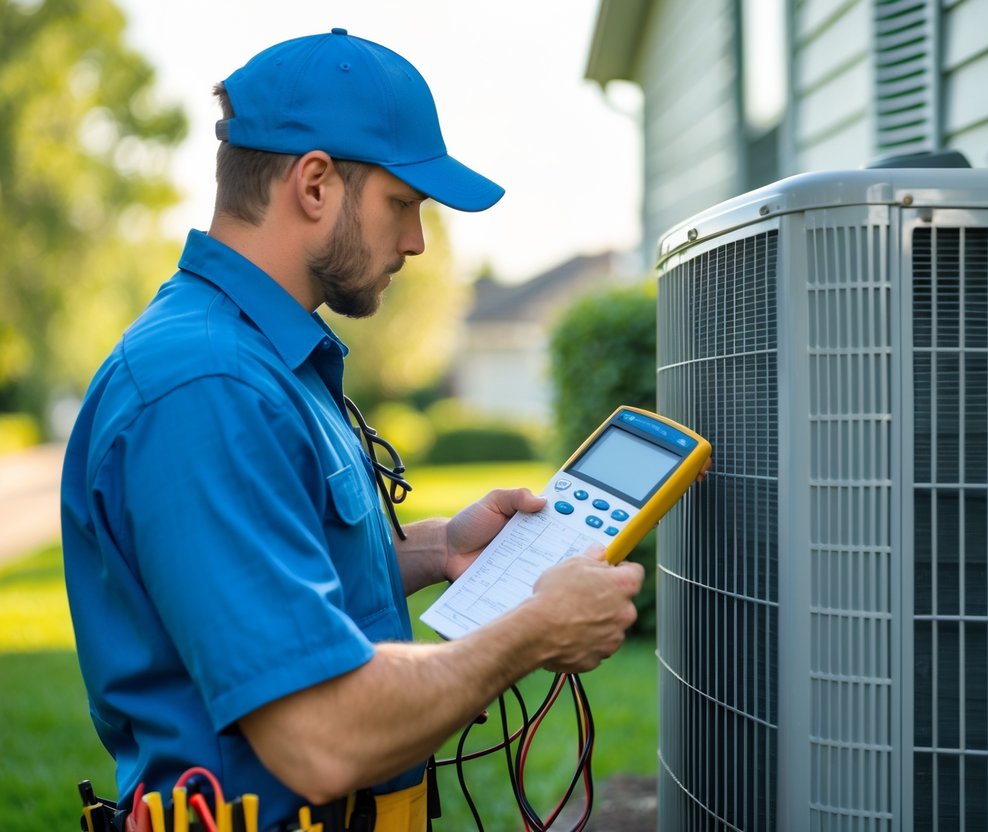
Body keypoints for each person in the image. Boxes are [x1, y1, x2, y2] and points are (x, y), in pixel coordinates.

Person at [61, 28, 644, 831]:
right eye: (402, 204)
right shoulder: (206, 388)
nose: (414, 241)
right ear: (313, 184)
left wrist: (435, 551)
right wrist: (533, 631)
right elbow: (319, 735)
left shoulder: (263, 360)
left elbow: (266, 578)